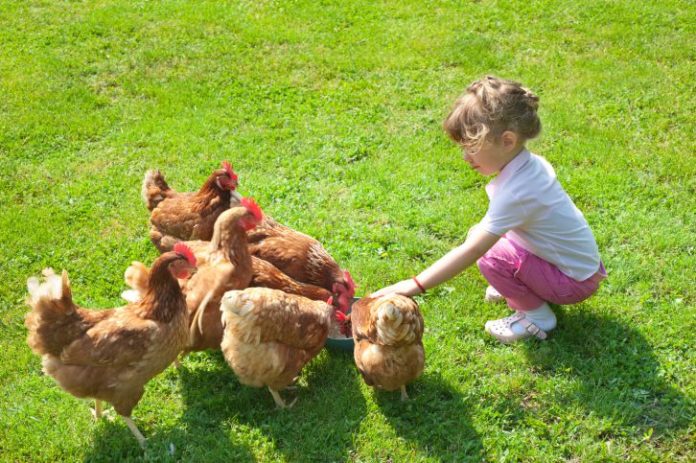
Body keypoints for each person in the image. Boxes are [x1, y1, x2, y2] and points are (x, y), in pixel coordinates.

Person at [371, 76, 606, 343]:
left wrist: (413, 285)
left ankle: (538, 317)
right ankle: (520, 286)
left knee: (490, 255)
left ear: (507, 141)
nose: (465, 157)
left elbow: (473, 250)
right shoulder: (528, 165)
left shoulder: (517, 192)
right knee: (481, 234)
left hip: (571, 283)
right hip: (580, 268)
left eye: (471, 147)